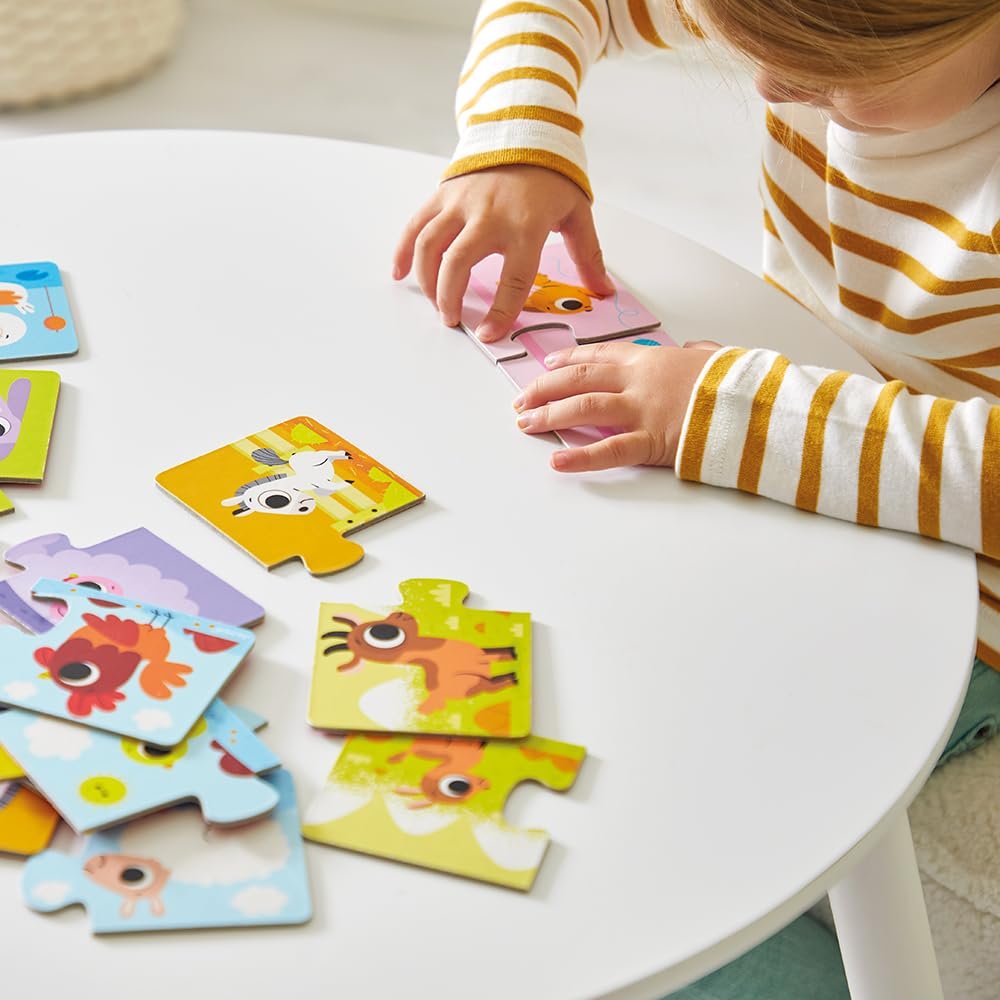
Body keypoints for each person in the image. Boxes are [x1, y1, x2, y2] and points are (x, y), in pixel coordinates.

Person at [394, 2, 1000, 995]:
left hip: (954, 586)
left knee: (659, 790)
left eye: (824, 70)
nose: (767, 89)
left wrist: (727, 413)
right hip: (789, 432)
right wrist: (519, 140)